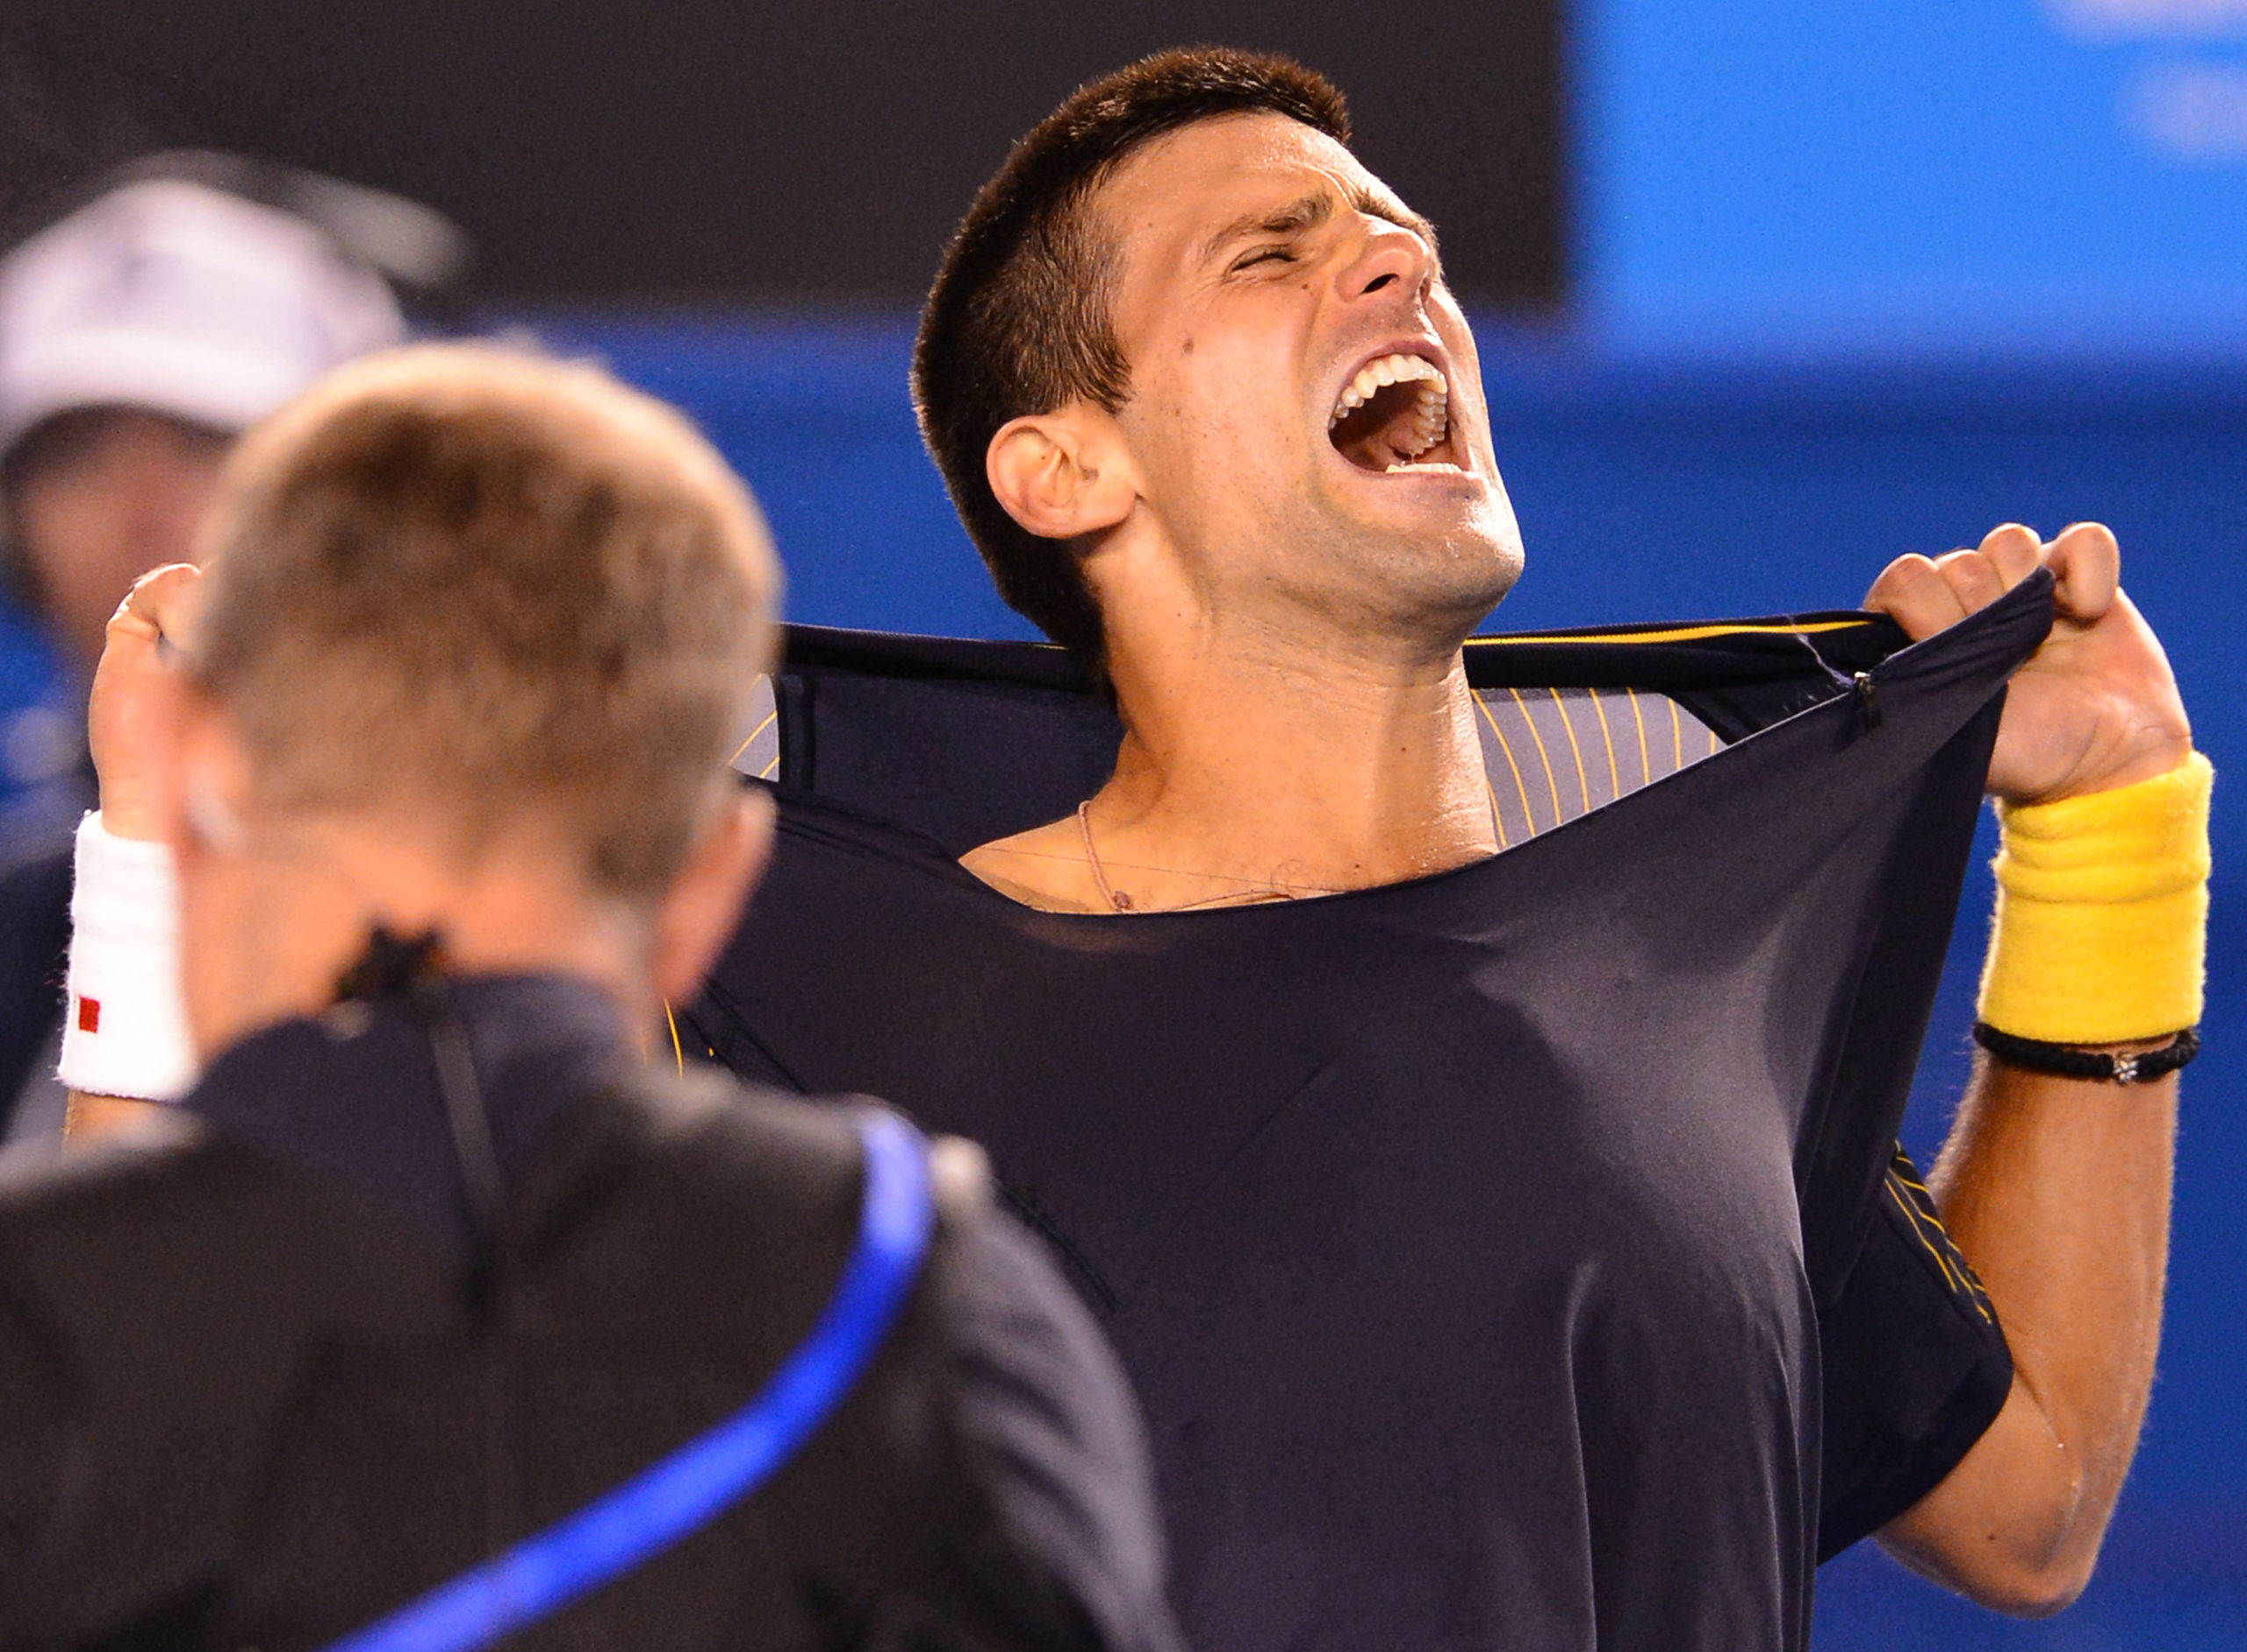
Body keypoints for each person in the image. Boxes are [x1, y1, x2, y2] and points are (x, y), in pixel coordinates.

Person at [686, 47, 2210, 1652]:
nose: (1400, 260)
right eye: (1269, 253)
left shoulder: (1694, 954)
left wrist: (2110, 827)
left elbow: (2025, 1505)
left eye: (1397, 236)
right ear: (1063, 469)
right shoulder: (831, 1053)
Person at [0, 344, 1183, 1649]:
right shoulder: (931, 1304)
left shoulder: (48, 1324)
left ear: (179, 766)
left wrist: (140, 861)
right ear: (714, 875)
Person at [0, 162, 423, 1131]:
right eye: (77, 457)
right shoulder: (24, 909)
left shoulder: (493, 895)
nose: (140, 510)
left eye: (201, 443)